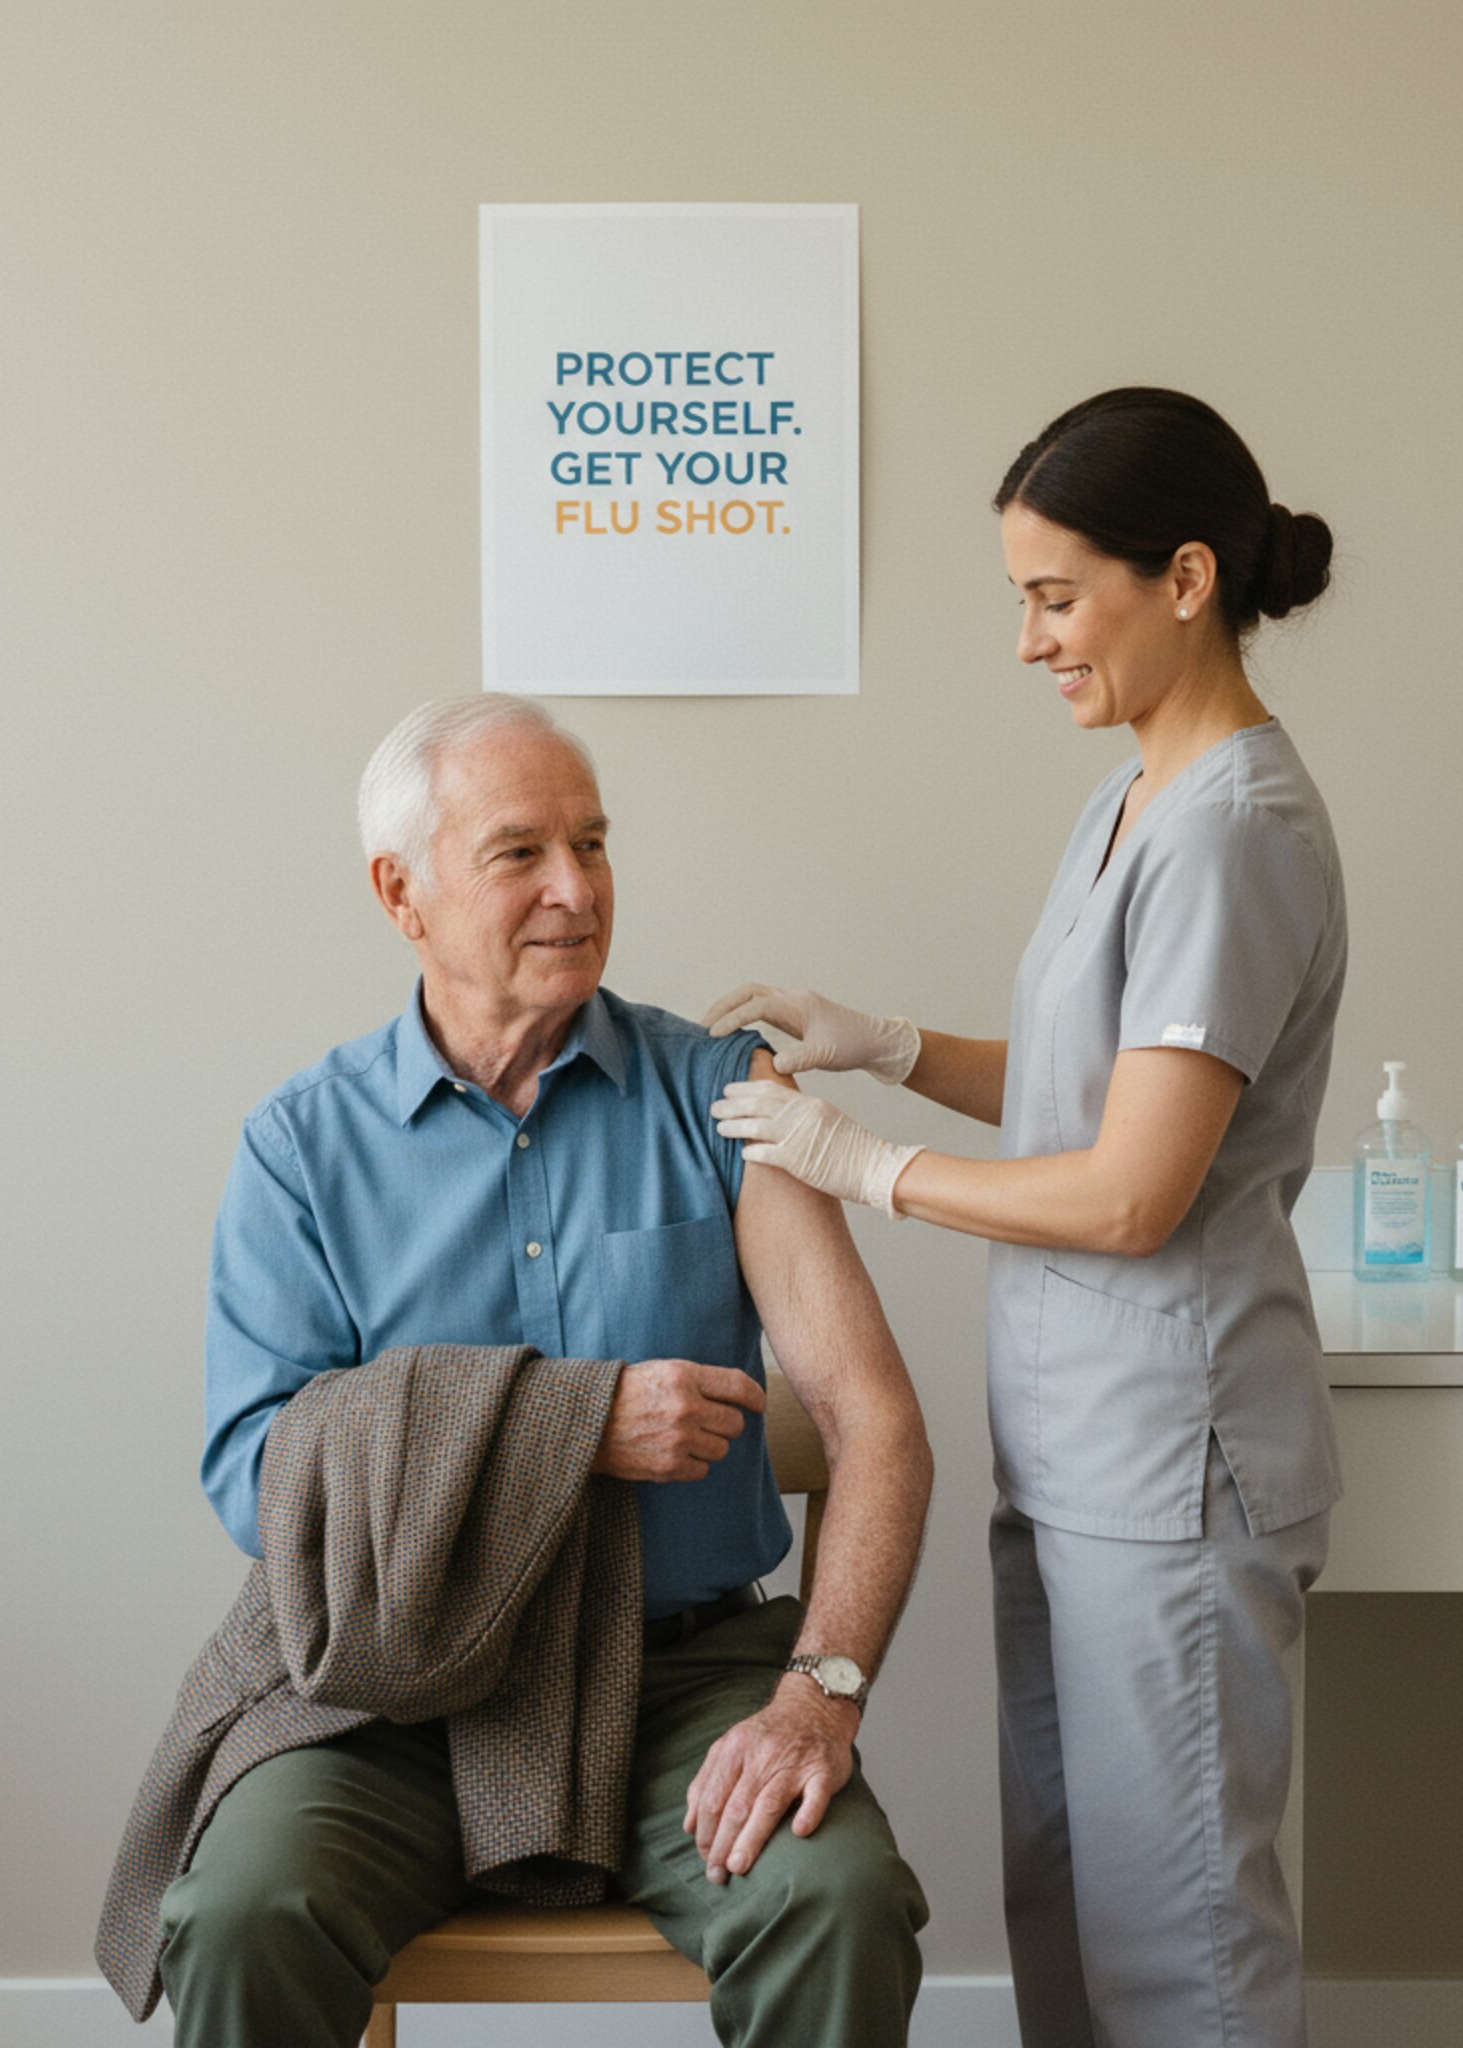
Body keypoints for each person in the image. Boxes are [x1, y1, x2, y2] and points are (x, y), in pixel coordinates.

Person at [706, 387, 1346, 2048]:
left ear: (1187, 578)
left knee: (1179, 1941)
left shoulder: (1233, 836)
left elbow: (1135, 1191)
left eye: (1057, 597)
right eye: (1023, 601)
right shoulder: (1127, 799)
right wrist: (897, 1049)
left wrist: (863, 1164)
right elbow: (1093, 1087)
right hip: (1071, 1449)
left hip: (1169, 1461)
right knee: (1071, 1907)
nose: (1029, 641)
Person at [158, 694, 933, 2048]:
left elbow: (876, 1425)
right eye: (520, 852)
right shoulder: (300, 1146)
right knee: (240, 1912)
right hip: (389, 1695)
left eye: (593, 842)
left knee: (839, 1897)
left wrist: (822, 1695)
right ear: (401, 892)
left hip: (688, 1679)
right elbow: (255, 1480)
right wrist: (564, 1428)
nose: (576, 889)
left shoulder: (721, 1098)